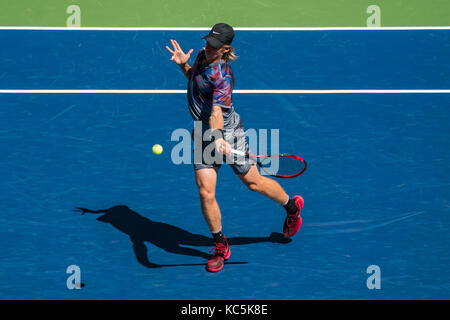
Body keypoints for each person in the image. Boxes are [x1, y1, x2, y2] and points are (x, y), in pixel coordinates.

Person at [166, 23, 304, 272]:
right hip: (202, 133)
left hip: (227, 133)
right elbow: (195, 81)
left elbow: (217, 112)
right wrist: (182, 65)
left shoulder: (223, 78)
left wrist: (219, 137)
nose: (209, 48)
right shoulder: (201, 55)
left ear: (225, 49)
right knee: (205, 192)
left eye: (214, 46)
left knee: (253, 183)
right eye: (208, 42)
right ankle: (220, 245)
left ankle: (291, 208)